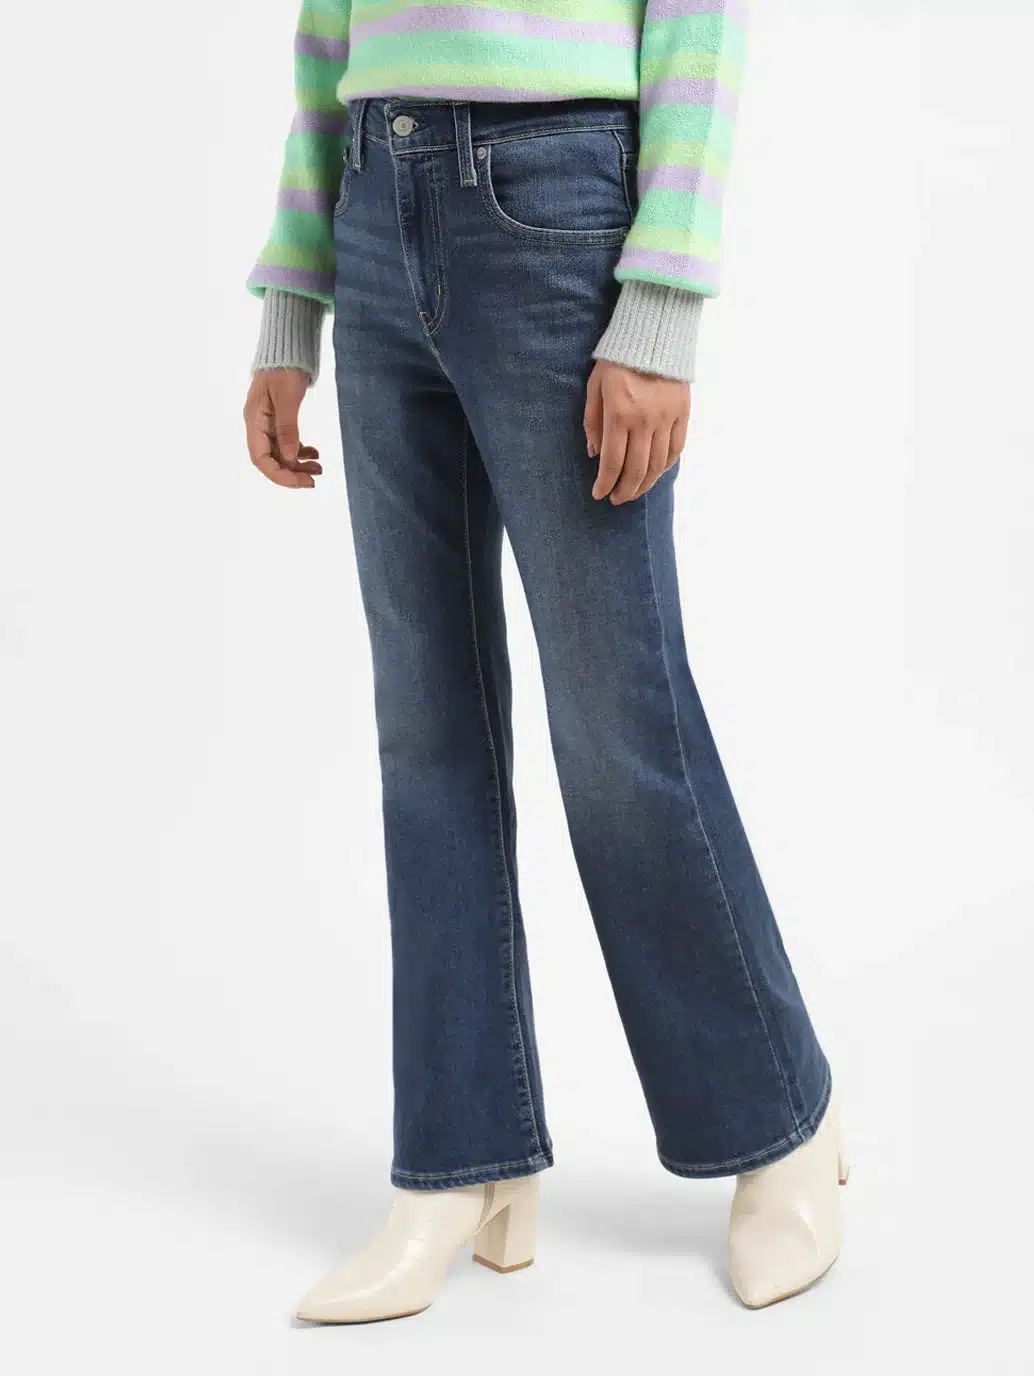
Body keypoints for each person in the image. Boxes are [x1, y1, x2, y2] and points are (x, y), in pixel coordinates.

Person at [242, 0, 848, 1320]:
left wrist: (661, 301)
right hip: (371, 198)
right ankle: (461, 1164)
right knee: (425, 728)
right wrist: (293, 297)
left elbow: (697, 23)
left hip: (556, 198)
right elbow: (326, 36)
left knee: (618, 719)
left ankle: (781, 1120)